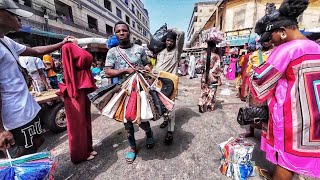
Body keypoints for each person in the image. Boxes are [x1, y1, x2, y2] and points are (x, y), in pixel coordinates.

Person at [249, 0, 320, 179]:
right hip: (312, 118)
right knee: (299, 158)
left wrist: (253, 73)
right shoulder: (316, 48)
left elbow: (260, 83)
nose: (270, 42)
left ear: (282, 32)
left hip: (290, 118)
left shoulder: (286, 50)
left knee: (285, 162)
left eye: (270, 36)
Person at [0, 0, 71, 157]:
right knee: (23, 158)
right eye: (13, 15)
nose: (19, 20)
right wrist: (1, 130)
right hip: (13, 118)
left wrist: (61, 43)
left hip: (27, 109)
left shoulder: (5, 41)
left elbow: (36, 50)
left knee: (37, 143)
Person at [105, 21, 154, 164]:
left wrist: (146, 68)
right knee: (127, 120)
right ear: (115, 34)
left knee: (142, 117)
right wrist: (125, 70)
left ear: (129, 32)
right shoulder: (112, 52)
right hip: (123, 91)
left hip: (139, 90)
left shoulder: (139, 49)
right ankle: (132, 147)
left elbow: (148, 64)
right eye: (118, 31)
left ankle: (149, 134)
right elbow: (107, 72)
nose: (121, 33)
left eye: (124, 30)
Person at [57, 41, 97, 164]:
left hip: (83, 88)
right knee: (77, 125)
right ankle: (80, 155)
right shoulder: (67, 46)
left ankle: (87, 149)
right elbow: (69, 70)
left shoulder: (74, 47)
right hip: (76, 88)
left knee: (85, 120)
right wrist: (72, 88)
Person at [153, 28, 185, 144]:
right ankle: (165, 120)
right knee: (160, 105)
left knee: (170, 107)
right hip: (159, 83)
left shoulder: (177, 51)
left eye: (171, 41)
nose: (169, 43)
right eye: (167, 40)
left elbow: (181, 33)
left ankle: (170, 131)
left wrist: (171, 29)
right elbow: (156, 66)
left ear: (174, 42)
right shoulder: (161, 52)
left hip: (170, 84)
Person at [198, 48, 221, 113]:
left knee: (203, 91)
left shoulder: (203, 55)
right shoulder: (216, 56)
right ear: (213, 47)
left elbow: (199, 66)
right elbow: (217, 68)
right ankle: (209, 106)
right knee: (212, 92)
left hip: (204, 75)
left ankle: (201, 103)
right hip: (212, 77)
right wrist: (219, 79)